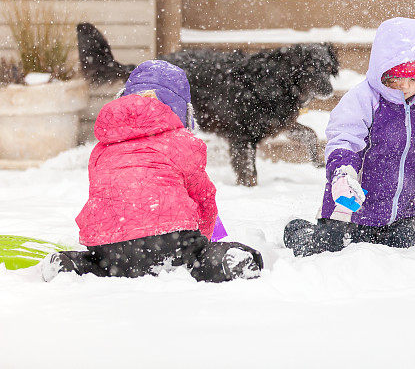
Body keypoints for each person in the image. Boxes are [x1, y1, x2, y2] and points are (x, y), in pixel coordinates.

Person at [41, 60, 263, 282]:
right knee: (197, 261)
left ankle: (70, 265)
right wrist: (206, 238)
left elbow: (103, 194)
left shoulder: (102, 148)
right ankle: (227, 261)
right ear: (183, 112)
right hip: (169, 239)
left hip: (110, 246)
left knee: (99, 266)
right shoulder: (181, 142)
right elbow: (203, 197)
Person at [284, 17, 415, 256]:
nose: (405, 86)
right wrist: (343, 174)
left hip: (399, 216)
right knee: (326, 252)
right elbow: (344, 140)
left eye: (414, 79)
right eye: (397, 77)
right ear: (383, 69)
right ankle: (300, 232)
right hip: (350, 212)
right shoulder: (364, 100)